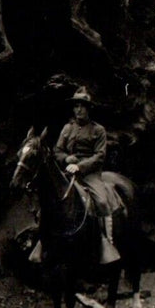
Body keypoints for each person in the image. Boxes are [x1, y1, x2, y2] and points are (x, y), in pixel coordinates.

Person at [54, 87, 123, 263]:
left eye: (83, 106)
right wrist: (66, 159)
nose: (79, 110)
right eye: (76, 106)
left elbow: (99, 156)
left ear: (88, 109)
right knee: (53, 198)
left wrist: (80, 166)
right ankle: (45, 242)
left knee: (101, 201)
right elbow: (57, 151)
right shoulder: (67, 128)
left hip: (90, 174)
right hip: (68, 172)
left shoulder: (98, 130)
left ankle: (106, 241)